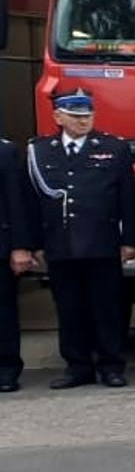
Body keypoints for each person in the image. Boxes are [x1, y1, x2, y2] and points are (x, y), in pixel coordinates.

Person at [25, 89, 135, 390]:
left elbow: (127, 198)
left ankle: (111, 366)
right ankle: (77, 367)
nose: (82, 121)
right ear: (58, 117)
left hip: (102, 242)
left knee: (107, 309)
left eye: (87, 116)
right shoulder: (39, 150)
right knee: (69, 309)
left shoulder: (113, 148)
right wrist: (35, 244)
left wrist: (130, 240)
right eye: (75, 116)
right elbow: (32, 202)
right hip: (60, 243)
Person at [0, 134, 29, 394]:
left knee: (3, 313)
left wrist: (20, 246)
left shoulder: (6, 153)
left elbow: (17, 203)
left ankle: (6, 370)